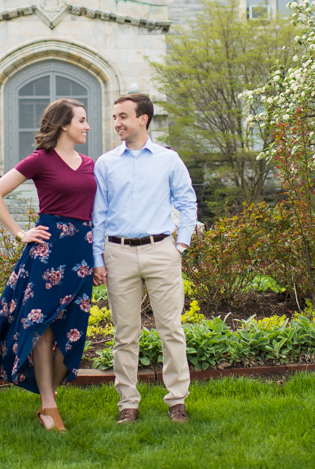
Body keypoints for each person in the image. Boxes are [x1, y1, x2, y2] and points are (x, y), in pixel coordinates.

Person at [0, 98, 96, 433]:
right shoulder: (40, 160)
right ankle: (49, 407)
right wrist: (20, 233)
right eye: (81, 121)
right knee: (40, 326)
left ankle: (47, 396)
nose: (86, 126)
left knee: (73, 329)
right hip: (47, 253)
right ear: (64, 124)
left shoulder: (90, 164)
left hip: (81, 255)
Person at [92, 93, 198, 424]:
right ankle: (128, 404)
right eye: (114, 117)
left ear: (143, 119)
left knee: (171, 329)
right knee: (125, 333)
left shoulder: (168, 159)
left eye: (123, 116)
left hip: (161, 251)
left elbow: (187, 202)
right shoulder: (106, 163)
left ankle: (177, 400)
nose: (117, 123)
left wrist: (180, 245)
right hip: (119, 253)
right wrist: (98, 256)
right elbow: (98, 214)